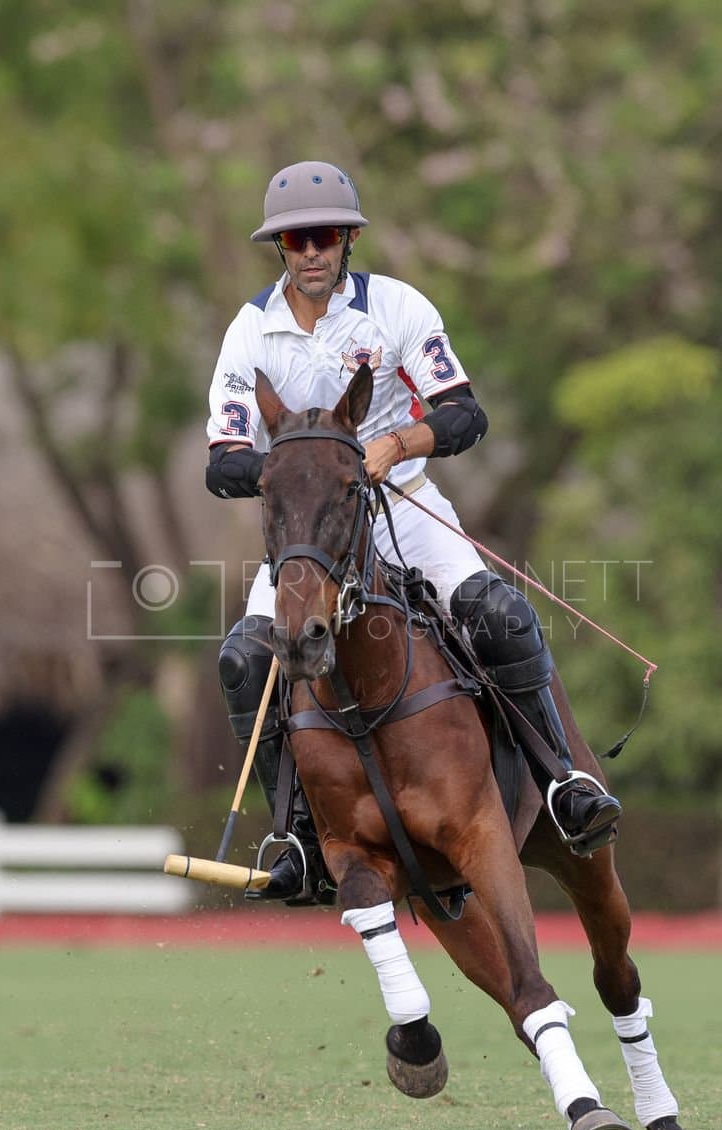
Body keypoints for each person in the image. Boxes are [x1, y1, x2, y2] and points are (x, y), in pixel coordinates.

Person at [205, 160, 621, 901]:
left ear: (348, 240)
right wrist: (309, 469)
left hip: (405, 507)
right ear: (279, 248)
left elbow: (464, 414)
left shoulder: (396, 310)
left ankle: (564, 782)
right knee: (244, 660)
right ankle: (297, 834)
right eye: (295, 240)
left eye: (324, 236)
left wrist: (395, 445)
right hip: (312, 531)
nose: (310, 252)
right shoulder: (250, 332)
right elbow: (224, 460)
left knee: (501, 614)